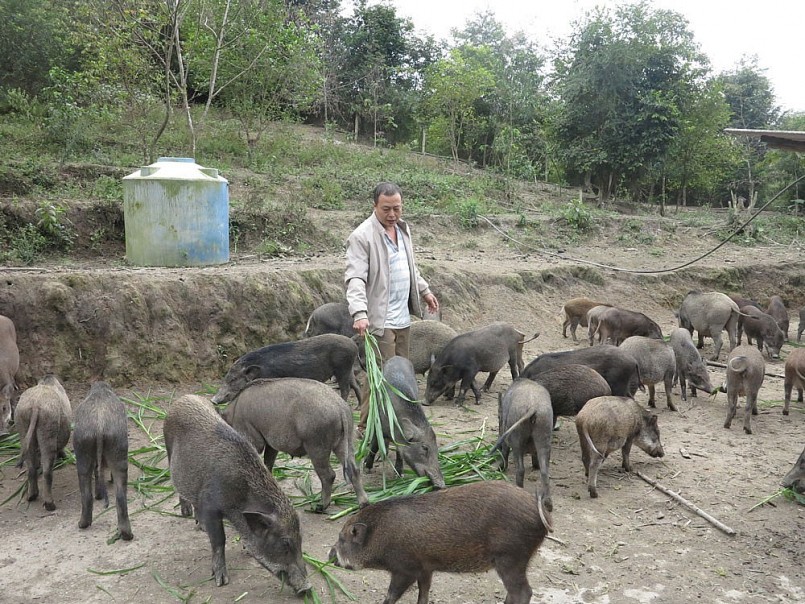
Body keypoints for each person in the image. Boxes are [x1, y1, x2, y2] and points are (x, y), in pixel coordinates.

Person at [345, 182, 439, 435]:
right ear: (374, 206)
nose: (392, 214)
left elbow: (410, 267)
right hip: (380, 319)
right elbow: (355, 278)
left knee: (401, 370)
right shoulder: (362, 236)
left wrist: (424, 290)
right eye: (386, 209)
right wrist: (360, 313)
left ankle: (398, 418)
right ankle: (366, 425)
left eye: (397, 208)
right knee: (379, 375)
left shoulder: (403, 230)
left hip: (402, 317)